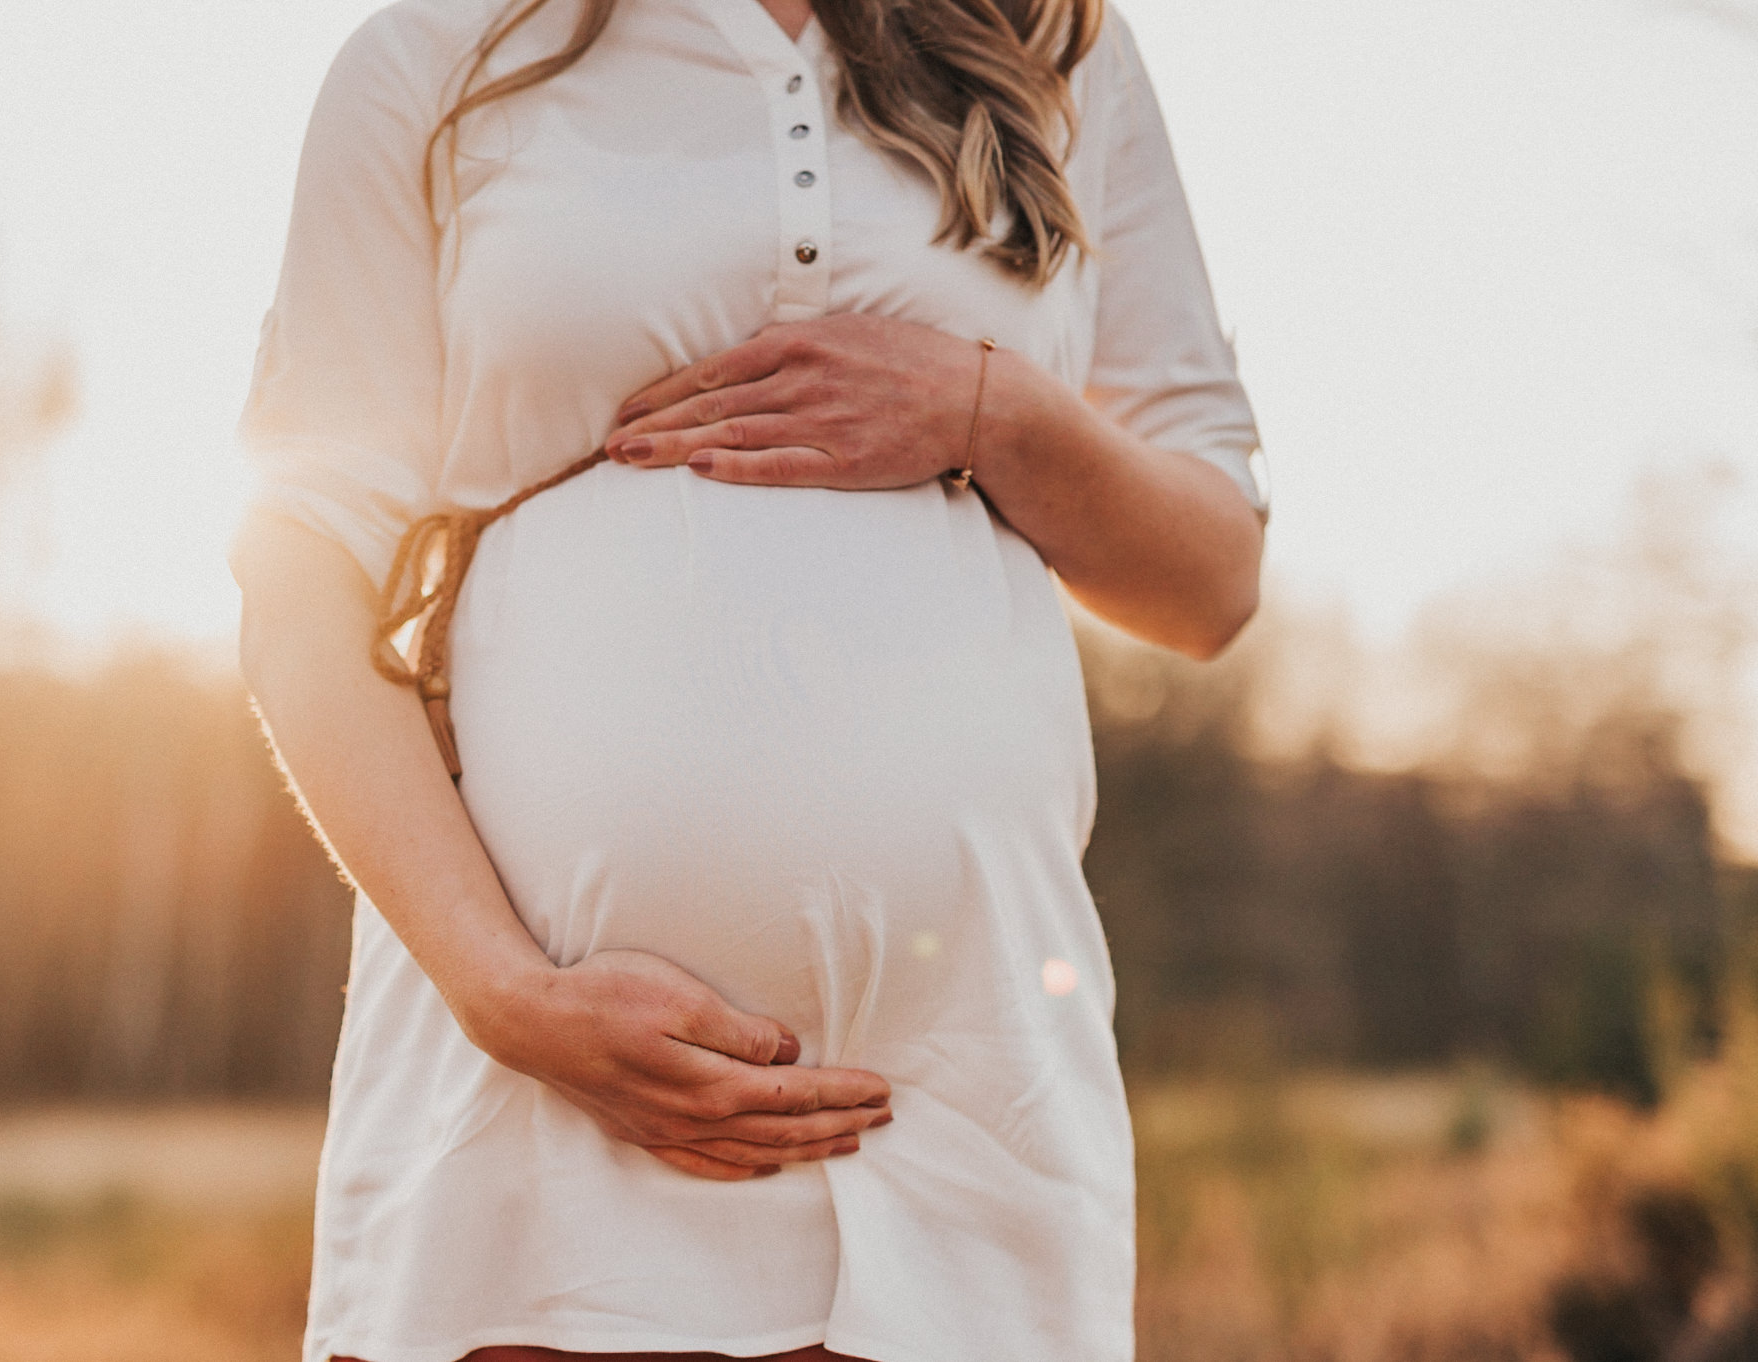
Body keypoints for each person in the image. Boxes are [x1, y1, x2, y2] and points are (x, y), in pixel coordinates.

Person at [228, 0, 1268, 1351]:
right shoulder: (436, 55)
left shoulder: (1056, 45)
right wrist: (507, 996)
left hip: (963, 1123)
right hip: (541, 1129)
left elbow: (1210, 578)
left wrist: (991, 410)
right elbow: (303, 573)